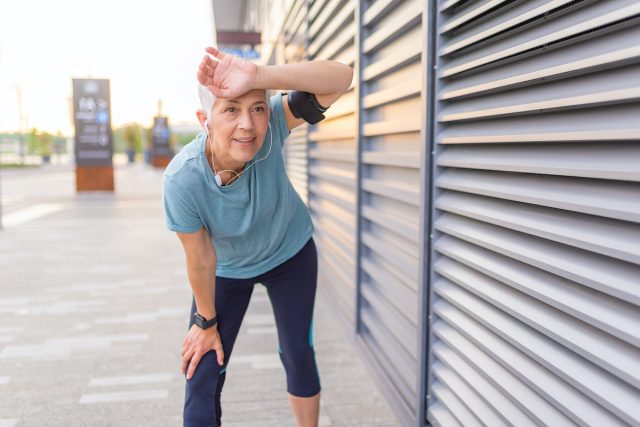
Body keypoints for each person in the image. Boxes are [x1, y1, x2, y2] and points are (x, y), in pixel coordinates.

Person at [162, 46, 353, 427]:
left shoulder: (274, 127)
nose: (248, 124)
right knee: (201, 369)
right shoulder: (181, 180)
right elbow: (200, 259)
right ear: (206, 121)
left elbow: (341, 78)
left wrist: (261, 77)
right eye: (230, 109)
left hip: (290, 254)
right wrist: (206, 322)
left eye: (258, 108)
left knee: (298, 353)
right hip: (227, 270)